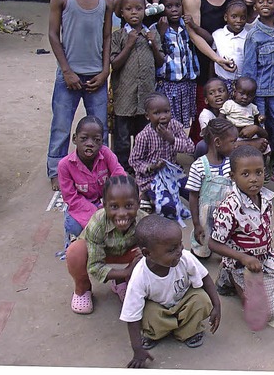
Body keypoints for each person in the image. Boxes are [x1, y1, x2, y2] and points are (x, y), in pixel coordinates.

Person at [209, 145, 274, 321]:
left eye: (258, 173)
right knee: (265, 315)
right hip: (243, 264)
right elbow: (213, 244)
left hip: (266, 257)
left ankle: (263, 285)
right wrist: (243, 258)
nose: (253, 179)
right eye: (245, 174)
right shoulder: (229, 207)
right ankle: (231, 277)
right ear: (233, 177)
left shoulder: (265, 198)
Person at [47, 0, 113, 191]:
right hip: (69, 76)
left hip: (96, 76)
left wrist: (105, 71)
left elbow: (107, 38)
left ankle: (101, 169)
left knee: (100, 128)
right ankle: (56, 171)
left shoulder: (105, 1)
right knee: (62, 124)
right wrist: (66, 71)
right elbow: (54, 35)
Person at [120, 214, 221, 366]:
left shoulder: (185, 258)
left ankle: (187, 331)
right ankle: (158, 331)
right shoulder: (140, 276)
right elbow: (131, 316)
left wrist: (217, 305)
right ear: (148, 253)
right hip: (159, 310)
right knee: (147, 313)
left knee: (201, 299)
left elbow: (205, 277)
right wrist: (137, 349)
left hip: (183, 303)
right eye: (172, 250)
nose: (179, 251)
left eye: (180, 244)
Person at [182, 0, 239, 143]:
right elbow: (193, 33)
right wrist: (216, 58)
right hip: (202, 58)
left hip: (226, 60)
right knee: (204, 106)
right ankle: (201, 150)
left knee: (226, 107)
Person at [65, 175, 146, 314]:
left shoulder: (143, 221)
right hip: (99, 254)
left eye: (129, 206)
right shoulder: (98, 223)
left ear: (138, 203)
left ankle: (123, 281)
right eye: (114, 206)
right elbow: (95, 265)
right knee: (75, 252)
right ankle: (82, 288)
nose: (122, 214)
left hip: (126, 255)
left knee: (150, 248)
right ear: (104, 205)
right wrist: (126, 271)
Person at [110, 0, 164, 172]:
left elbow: (160, 62)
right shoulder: (119, 36)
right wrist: (129, 44)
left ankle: (140, 166)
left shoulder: (152, 34)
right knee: (122, 137)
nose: (134, 13)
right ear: (122, 13)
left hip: (145, 96)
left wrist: (153, 44)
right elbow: (115, 64)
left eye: (139, 9)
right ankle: (122, 169)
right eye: (129, 9)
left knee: (143, 135)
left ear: (145, 11)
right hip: (124, 97)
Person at [58, 116, 126, 248]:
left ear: (102, 142)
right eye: (84, 138)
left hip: (106, 204)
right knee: (74, 227)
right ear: (74, 139)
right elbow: (71, 198)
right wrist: (97, 214)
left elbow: (120, 179)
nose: (90, 144)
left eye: (96, 140)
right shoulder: (65, 165)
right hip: (81, 207)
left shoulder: (106, 154)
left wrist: (108, 207)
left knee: (127, 222)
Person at [242, 0, 274, 161]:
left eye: (269, 1)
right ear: (255, 6)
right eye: (260, 2)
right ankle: (262, 161)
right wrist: (249, 95)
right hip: (260, 93)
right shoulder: (254, 35)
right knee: (260, 128)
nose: (265, 5)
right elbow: (248, 68)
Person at [129, 92, 195, 215]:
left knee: (195, 193)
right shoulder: (144, 136)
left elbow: (191, 147)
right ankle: (146, 195)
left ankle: (165, 194)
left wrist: (172, 140)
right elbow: (134, 160)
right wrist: (150, 167)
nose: (163, 116)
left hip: (173, 174)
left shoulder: (174, 126)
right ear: (147, 116)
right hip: (151, 179)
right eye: (157, 113)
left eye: (166, 111)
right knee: (170, 208)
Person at [186, 118, 238, 259]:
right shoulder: (198, 166)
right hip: (205, 215)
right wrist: (196, 224)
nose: (235, 145)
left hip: (227, 214)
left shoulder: (232, 163)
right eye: (232, 142)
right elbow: (193, 196)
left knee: (228, 243)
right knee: (202, 245)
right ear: (217, 142)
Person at [155, 0, 200, 129]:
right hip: (168, 83)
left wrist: (193, 25)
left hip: (187, 83)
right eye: (169, 6)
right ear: (162, 9)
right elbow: (155, 54)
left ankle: (178, 145)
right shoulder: (157, 28)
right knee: (167, 120)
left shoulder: (186, 26)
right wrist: (161, 34)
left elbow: (208, 39)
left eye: (177, 5)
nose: (174, 10)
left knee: (184, 121)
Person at [211, 0, 248, 94]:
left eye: (242, 18)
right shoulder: (218, 34)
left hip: (242, 85)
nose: (238, 21)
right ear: (226, 17)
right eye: (234, 17)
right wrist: (211, 80)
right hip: (221, 82)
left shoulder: (249, 37)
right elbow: (212, 60)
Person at [220, 76, 267, 142]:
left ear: (254, 96)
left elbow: (258, 119)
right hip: (232, 133)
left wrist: (261, 118)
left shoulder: (253, 107)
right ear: (235, 92)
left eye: (249, 95)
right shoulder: (229, 104)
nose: (245, 97)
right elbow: (220, 118)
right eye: (241, 93)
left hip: (250, 133)